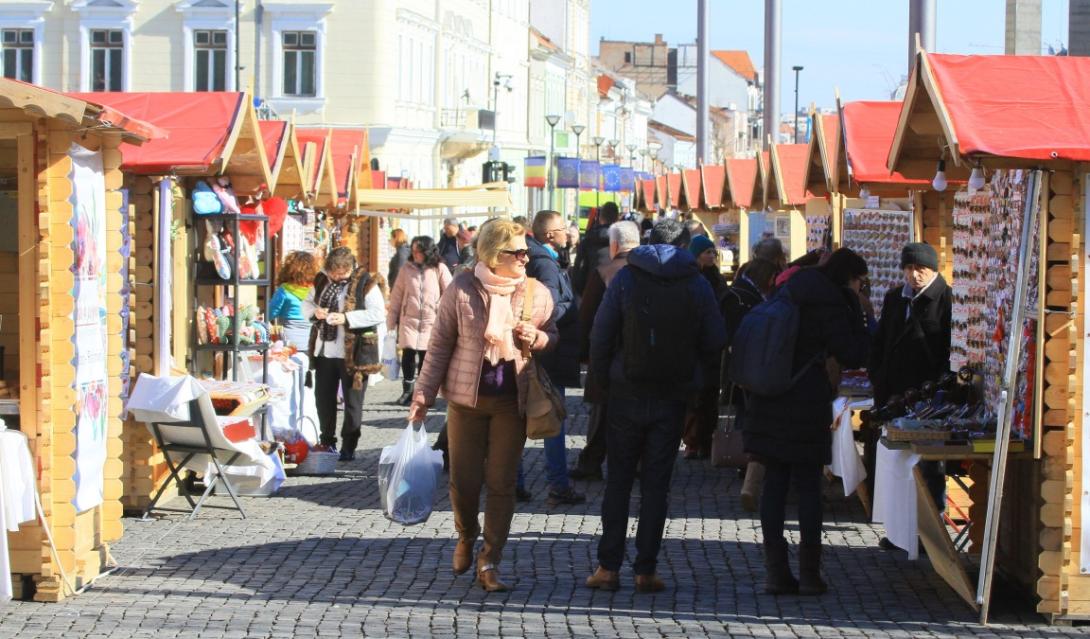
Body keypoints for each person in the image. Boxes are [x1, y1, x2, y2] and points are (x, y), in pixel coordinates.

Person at [408, 219, 557, 593]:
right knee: (464, 482)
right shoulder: (461, 288)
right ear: (492, 255)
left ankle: (490, 558)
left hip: (512, 401)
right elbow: (439, 345)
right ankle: (466, 534)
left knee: (502, 483)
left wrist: (538, 338)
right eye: (517, 252)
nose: (526, 257)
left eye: (526, 251)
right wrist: (422, 397)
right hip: (466, 402)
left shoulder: (535, 293)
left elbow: (553, 335)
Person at [585, 219, 726, 593]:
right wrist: (695, 382)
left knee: (618, 482)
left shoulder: (628, 278)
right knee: (656, 485)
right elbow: (715, 339)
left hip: (626, 392)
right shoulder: (695, 282)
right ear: (683, 244)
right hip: (673, 395)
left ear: (648, 241)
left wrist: (603, 382)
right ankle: (645, 570)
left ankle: (607, 567)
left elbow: (600, 335)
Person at [743, 248, 871, 596]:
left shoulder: (789, 287)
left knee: (775, 484)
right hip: (804, 400)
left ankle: (776, 573)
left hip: (770, 397)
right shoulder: (830, 300)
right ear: (850, 278)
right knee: (808, 488)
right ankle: (810, 574)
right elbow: (852, 353)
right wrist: (861, 313)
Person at [868, 242, 952, 519]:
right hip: (892, 393)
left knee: (929, 468)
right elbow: (881, 341)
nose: (914, 275)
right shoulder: (896, 298)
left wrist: (938, 388)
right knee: (895, 466)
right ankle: (897, 529)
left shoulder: (947, 300)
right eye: (909, 268)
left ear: (933, 270)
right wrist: (877, 375)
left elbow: (948, 351)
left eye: (921, 269)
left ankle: (931, 533)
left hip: (928, 398)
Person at [516, 210, 585, 506]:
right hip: (547, 353)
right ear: (548, 235)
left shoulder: (536, 257)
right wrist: (571, 307)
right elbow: (548, 309)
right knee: (551, 417)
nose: (567, 232)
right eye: (561, 229)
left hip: (537, 350)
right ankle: (557, 484)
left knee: (523, 416)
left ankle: (515, 482)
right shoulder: (543, 262)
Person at [570, 220, 640, 481]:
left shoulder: (604, 272)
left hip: (609, 353)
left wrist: (582, 355)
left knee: (601, 413)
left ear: (614, 245)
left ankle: (591, 462)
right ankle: (634, 463)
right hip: (645, 354)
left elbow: (586, 317)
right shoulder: (653, 269)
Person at [304, 247, 387, 461]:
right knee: (323, 398)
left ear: (350, 268)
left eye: (340, 273)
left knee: (352, 401)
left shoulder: (366, 283)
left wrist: (347, 318)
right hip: (325, 350)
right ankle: (327, 440)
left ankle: (349, 445)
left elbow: (378, 313)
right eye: (333, 272)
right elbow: (307, 304)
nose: (336, 276)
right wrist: (316, 312)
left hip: (355, 353)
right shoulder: (322, 280)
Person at [721, 258, 782, 512]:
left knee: (748, 416)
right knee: (749, 416)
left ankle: (746, 463)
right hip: (750, 369)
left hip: (746, 368)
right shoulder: (745, 298)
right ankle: (747, 462)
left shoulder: (745, 294)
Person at [386, 236, 453, 406]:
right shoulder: (406, 269)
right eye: (413, 251)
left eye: (419, 251)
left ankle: (423, 392)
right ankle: (407, 391)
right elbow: (397, 295)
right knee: (408, 355)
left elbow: (450, 292)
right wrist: (391, 320)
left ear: (427, 252)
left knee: (426, 357)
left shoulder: (439, 269)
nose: (415, 254)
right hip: (409, 319)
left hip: (431, 321)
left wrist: (438, 306)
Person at [681, 234, 728, 459]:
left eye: (712, 252)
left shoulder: (717, 279)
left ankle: (707, 440)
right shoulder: (688, 278)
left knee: (709, 395)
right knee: (693, 396)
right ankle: (691, 441)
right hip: (692, 345)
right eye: (706, 252)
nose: (711, 256)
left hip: (711, 345)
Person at [269, 251, 319, 350]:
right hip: (313, 343)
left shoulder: (284, 290)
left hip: (289, 343)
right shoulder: (318, 290)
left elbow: (270, 314)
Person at [572, 202, 620, 295]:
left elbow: (578, 270)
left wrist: (584, 294)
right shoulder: (624, 240)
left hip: (591, 293)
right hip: (616, 294)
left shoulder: (588, 240)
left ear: (600, 218)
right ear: (617, 218)